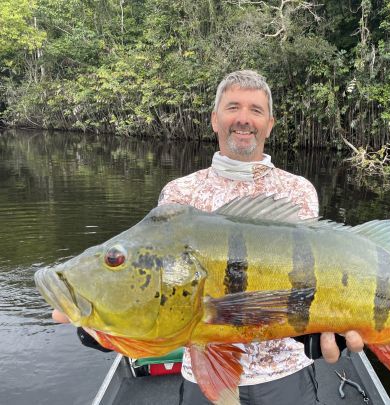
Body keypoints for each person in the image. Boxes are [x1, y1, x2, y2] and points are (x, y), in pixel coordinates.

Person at [53, 69, 364, 404]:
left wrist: (318, 335)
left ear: (269, 124)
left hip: (286, 373)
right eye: (233, 107)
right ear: (215, 119)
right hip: (201, 372)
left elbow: (310, 284)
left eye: (255, 110)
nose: (244, 119)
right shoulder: (179, 193)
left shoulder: (297, 191)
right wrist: (107, 326)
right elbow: (162, 293)